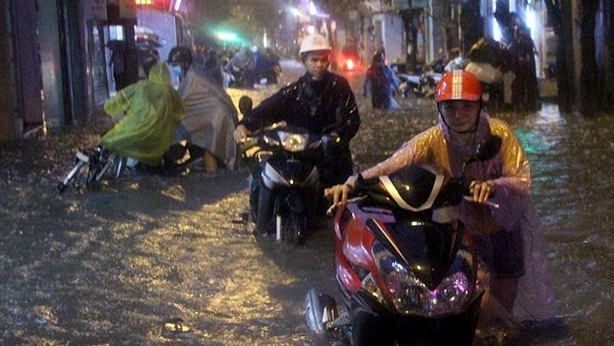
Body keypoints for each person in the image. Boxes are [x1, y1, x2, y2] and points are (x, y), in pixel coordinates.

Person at [326, 69, 554, 326]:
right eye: (450, 108)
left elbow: (521, 178)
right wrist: (350, 185)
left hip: (503, 228)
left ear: (479, 106)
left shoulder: (499, 134)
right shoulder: (432, 140)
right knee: (476, 301)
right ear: (440, 109)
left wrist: (492, 186)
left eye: (466, 107)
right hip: (461, 231)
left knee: (503, 318)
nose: (458, 116)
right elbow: (389, 167)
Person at [233, 32, 361, 234]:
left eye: (323, 59)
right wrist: (245, 124)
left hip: (330, 153)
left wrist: (336, 138)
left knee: (345, 205)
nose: (319, 64)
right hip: (300, 154)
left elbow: (352, 119)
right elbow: (268, 108)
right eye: (314, 60)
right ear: (304, 61)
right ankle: (259, 216)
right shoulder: (294, 92)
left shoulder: (340, 87)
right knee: (259, 169)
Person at [100, 60, 185, 168]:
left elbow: (119, 100)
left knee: (108, 142)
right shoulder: (172, 93)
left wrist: (106, 109)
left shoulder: (141, 87)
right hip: (158, 143)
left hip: (133, 134)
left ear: (151, 74)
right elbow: (181, 113)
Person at [168, 45, 239, 173]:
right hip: (216, 116)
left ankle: (212, 180)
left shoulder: (193, 77)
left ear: (184, 63)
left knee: (210, 148)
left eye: (176, 65)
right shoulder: (193, 73)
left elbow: (181, 101)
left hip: (218, 119)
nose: (174, 69)